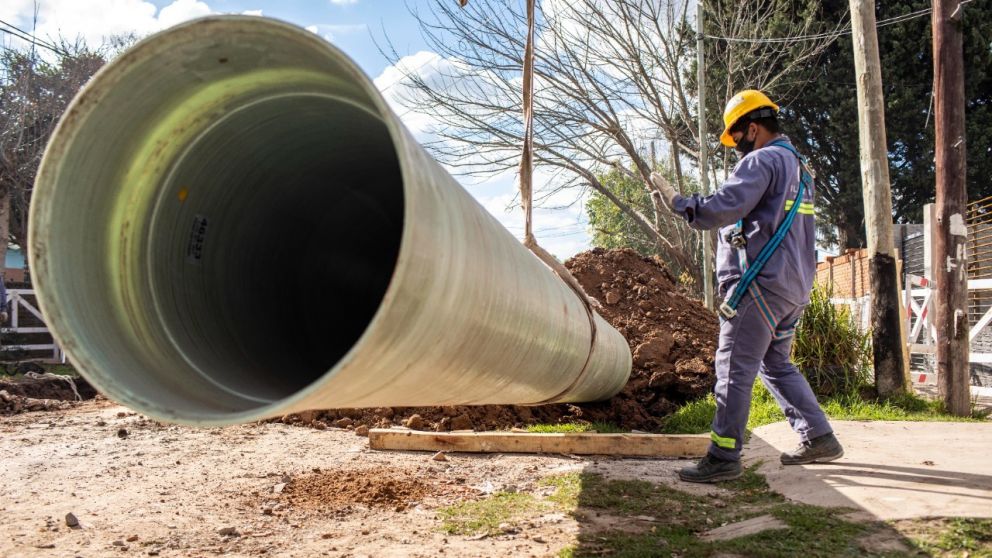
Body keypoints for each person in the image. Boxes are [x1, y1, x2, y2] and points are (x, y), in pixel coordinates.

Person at [650, 90, 843, 483]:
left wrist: (681, 204)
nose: (736, 147)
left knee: (733, 367)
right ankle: (819, 436)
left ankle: (723, 457)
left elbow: (723, 207)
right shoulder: (800, 169)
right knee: (776, 363)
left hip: (760, 285)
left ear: (752, 129)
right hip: (793, 286)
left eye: (736, 137)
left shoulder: (763, 160)